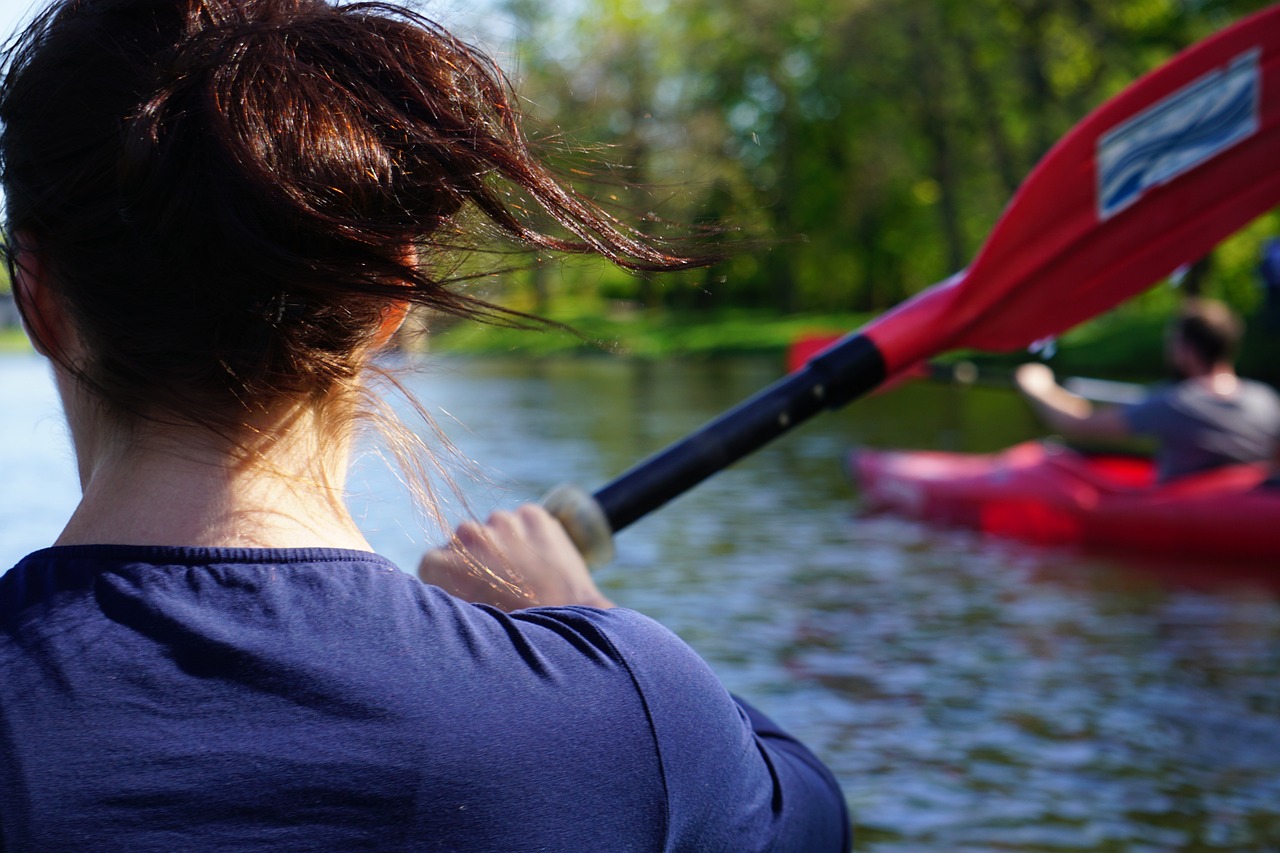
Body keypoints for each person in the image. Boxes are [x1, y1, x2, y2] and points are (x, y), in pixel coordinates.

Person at [0, 0, 851, 849]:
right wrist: (583, 617)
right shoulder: (625, 717)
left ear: (36, 295)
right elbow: (814, 817)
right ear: (387, 297)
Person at [1015, 298, 1280, 482]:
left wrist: (1037, 385)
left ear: (1186, 351)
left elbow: (1077, 423)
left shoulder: (1176, 403)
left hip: (1193, 515)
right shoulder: (1266, 400)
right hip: (1247, 506)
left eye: (1173, 342)